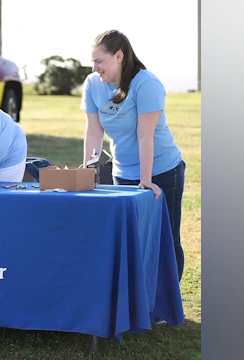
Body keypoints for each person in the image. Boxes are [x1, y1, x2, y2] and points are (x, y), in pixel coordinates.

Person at [80, 29, 186, 282]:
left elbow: (144, 136)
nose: (95, 68)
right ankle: (136, 299)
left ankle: (165, 306)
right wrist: (87, 172)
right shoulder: (92, 84)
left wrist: (146, 179)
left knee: (165, 238)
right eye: (93, 61)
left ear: (119, 56)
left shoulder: (146, 83)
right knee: (132, 240)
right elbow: (94, 133)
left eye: (99, 61)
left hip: (162, 170)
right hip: (122, 172)